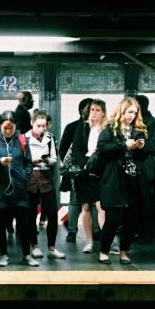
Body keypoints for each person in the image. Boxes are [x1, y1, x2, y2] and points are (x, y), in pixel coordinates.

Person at [96, 97, 149, 264]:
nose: (132, 116)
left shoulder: (138, 130)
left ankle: (124, 251)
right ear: (122, 111)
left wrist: (141, 148)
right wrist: (124, 146)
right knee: (112, 218)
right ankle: (104, 251)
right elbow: (103, 149)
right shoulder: (110, 129)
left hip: (132, 178)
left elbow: (143, 156)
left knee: (131, 218)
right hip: (113, 178)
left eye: (134, 112)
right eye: (129, 112)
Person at [0, 110, 37, 267]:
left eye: (11, 128)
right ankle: (3, 255)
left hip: (19, 189)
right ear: (0, 126)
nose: (7, 131)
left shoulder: (21, 139)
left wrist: (25, 176)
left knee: (24, 223)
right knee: (0, 223)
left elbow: (28, 162)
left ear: (15, 127)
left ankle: (27, 255)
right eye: (5, 128)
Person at [25, 110, 65, 259]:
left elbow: (55, 159)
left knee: (52, 214)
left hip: (46, 175)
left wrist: (47, 160)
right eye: (38, 126)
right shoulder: (25, 138)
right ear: (32, 123)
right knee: (31, 214)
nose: (42, 129)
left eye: (44, 126)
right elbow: (21, 159)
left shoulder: (49, 138)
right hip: (31, 176)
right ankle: (34, 246)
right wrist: (32, 161)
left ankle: (52, 248)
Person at [71, 99, 108, 253]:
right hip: (85, 170)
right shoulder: (83, 126)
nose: (94, 113)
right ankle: (89, 242)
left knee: (101, 206)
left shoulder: (108, 128)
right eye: (92, 109)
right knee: (85, 206)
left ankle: (108, 241)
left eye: (97, 110)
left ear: (103, 113)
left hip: (101, 169)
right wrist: (84, 165)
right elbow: (76, 148)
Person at [60, 98, 93, 243]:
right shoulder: (74, 127)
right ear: (82, 111)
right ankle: (74, 230)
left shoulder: (73, 126)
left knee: (78, 201)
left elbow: (63, 150)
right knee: (76, 200)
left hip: (83, 169)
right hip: (78, 170)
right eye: (91, 109)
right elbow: (63, 150)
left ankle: (74, 231)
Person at [134, 94, 155, 243]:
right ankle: (139, 231)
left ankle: (147, 233)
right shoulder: (139, 122)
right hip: (139, 166)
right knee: (138, 201)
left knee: (146, 201)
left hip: (146, 168)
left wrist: (138, 146)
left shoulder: (153, 124)